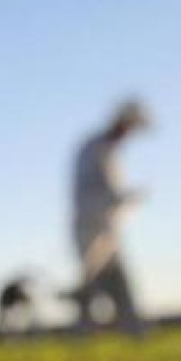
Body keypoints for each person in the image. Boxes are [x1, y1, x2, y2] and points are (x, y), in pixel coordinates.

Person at [67, 99, 150, 335]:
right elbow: (93, 192)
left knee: (119, 283)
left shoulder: (109, 151)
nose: (130, 134)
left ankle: (134, 331)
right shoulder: (94, 149)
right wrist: (126, 198)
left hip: (107, 230)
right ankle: (81, 335)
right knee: (93, 285)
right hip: (90, 229)